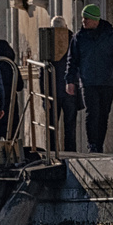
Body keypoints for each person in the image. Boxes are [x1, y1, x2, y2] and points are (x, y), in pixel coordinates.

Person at [62, 4, 113, 153]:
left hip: (108, 81)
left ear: (95, 20)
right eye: (83, 18)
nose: (83, 21)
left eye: (86, 18)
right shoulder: (78, 38)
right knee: (92, 112)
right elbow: (72, 60)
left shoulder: (111, 34)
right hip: (88, 81)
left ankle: (99, 143)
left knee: (104, 114)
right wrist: (70, 80)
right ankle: (92, 144)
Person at [51, 16, 78, 151]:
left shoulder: (48, 41)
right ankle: (70, 152)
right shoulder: (73, 39)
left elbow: (43, 71)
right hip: (69, 90)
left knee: (52, 126)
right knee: (70, 126)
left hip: (53, 91)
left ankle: (52, 152)